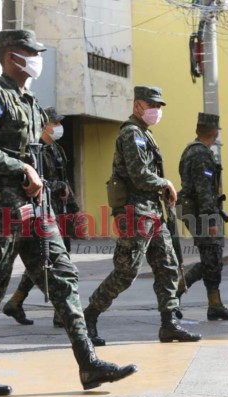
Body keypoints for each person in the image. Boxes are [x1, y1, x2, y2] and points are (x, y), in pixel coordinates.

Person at [0, 29, 136, 396]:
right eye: (29, 52)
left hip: (37, 212)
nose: (36, 58)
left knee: (64, 279)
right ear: (10, 55)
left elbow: (39, 155)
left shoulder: (31, 101)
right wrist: (21, 169)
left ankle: (88, 365)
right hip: (0, 211)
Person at [83, 86, 202, 346]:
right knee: (126, 272)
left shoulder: (145, 134)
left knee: (168, 266)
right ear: (138, 106)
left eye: (159, 106)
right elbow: (139, 175)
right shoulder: (131, 134)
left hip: (152, 213)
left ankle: (169, 324)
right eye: (152, 105)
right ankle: (88, 317)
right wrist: (166, 183)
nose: (157, 111)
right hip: (135, 213)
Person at [2, 107, 80, 328]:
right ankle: (60, 311)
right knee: (53, 261)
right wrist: (59, 186)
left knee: (47, 260)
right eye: (54, 123)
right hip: (40, 211)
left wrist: (74, 209)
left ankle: (16, 302)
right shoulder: (33, 151)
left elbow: (65, 180)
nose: (58, 127)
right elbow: (35, 182)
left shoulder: (56, 150)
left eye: (58, 123)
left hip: (58, 211)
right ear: (44, 126)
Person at [176, 112, 228, 321]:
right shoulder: (201, 154)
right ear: (215, 133)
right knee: (211, 259)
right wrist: (210, 220)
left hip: (196, 211)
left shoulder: (193, 151)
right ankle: (174, 293)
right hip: (201, 213)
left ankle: (214, 304)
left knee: (212, 259)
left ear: (198, 131)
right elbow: (203, 189)